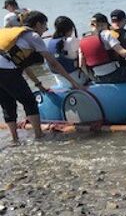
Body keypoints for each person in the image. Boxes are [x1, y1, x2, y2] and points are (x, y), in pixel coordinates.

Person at [0, 11, 84, 143]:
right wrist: (74, 82)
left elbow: (22, 65)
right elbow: (53, 63)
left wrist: (38, 84)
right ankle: (39, 136)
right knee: (29, 101)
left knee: (7, 103)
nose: (46, 30)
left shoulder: (14, 34)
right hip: (6, 70)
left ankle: (14, 139)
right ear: (38, 24)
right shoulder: (33, 36)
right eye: (45, 26)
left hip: (5, 68)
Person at [78, 13, 126, 83]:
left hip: (98, 77)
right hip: (114, 74)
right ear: (104, 24)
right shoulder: (106, 34)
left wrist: (94, 79)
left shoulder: (82, 40)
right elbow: (123, 53)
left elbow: (81, 64)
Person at [45, 16, 89, 88]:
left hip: (60, 81)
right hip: (76, 79)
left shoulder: (50, 42)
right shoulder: (71, 41)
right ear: (71, 28)